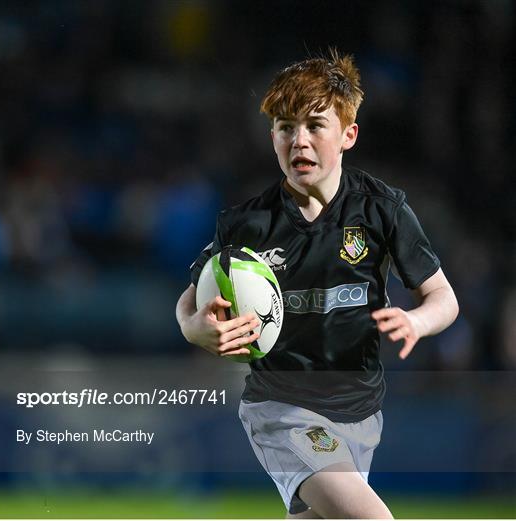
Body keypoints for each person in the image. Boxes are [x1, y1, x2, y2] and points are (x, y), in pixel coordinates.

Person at [176, 49, 458, 519]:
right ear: (272, 139)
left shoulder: (380, 209)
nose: (299, 140)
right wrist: (194, 328)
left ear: (348, 135)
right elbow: (191, 296)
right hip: (283, 409)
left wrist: (416, 321)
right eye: (286, 128)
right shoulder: (248, 224)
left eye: (314, 125)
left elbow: (443, 297)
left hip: (361, 412)